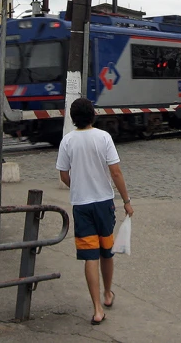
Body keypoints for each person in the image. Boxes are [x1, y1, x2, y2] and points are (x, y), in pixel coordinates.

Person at [56, 98, 134, 326]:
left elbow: (63, 175)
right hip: (104, 204)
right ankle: (108, 293)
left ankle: (97, 309)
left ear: (73, 118)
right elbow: (116, 173)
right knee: (106, 251)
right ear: (93, 116)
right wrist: (126, 201)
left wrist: (79, 187)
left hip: (81, 206)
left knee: (89, 256)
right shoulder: (103, 137)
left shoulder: (67, 141)